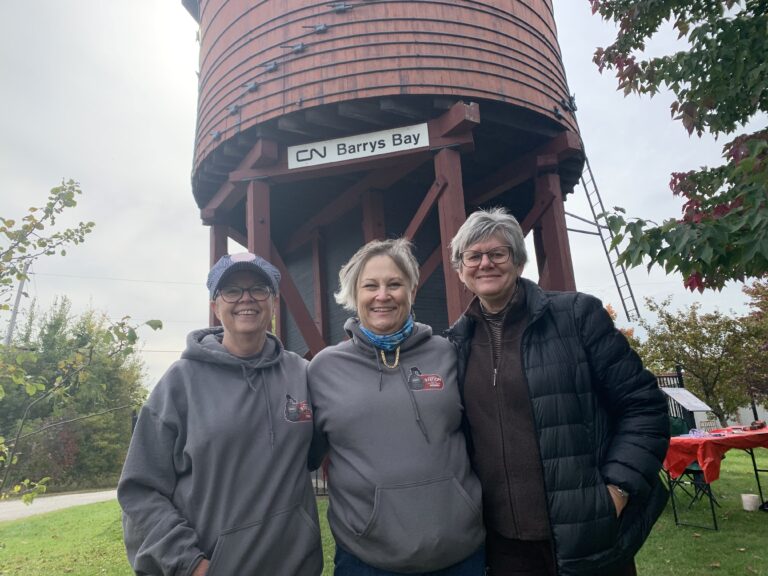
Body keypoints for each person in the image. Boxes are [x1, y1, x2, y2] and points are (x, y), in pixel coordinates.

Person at [445, 208, 670, 576]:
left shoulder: (576, 316)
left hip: (586, 533)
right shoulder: (456, 343)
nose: (486, 263)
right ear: (460, 269)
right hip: (503, 545)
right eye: (474, 256)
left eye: (498, 253)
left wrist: (616, 490)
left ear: (518, 261)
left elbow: (643, 407)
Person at [118, 252, 323, 576]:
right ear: (215, 305)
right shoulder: (178, 384)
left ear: (273, 302)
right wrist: (191, 564)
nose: (246, 299)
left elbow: (323, 446)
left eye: (258, 289)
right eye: (232, 290)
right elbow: (140, 490)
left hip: (295, 566)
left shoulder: (304, 375)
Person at [309, 238, 485, 576]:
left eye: (394, 284)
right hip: (367, 559)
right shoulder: (323, 370)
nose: (382, 295)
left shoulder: (448, 354)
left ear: (412, 290)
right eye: (370, 286)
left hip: (460, 555)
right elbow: (305, 454)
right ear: (353, 295)